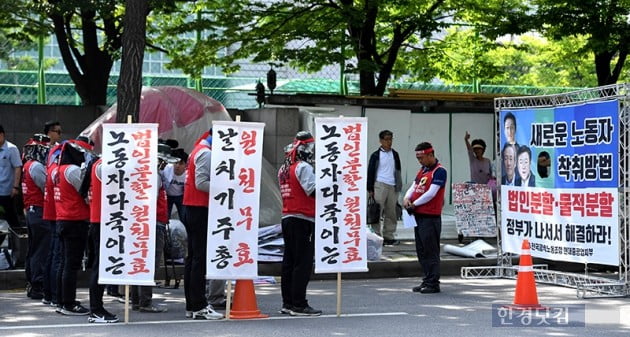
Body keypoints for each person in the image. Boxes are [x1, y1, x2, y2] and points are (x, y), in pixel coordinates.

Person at [277, 131, 322, 316]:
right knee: (302, 263)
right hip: (303, 218)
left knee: (289, 262)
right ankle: (299, 304)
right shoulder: (303, 167)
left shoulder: (284, 168)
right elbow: (312, 190)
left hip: (287, 217)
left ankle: (288, 303)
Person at [181, 129, 223, 320]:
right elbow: (201, 182)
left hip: (192, 207)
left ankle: (192, 304)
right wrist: (225, 187)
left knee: (193, 258)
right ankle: (198, 305)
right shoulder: (206, 153)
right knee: (199, 258)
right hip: (199, 208)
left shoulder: (197, 150)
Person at [130, 144, 177, 313]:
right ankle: (145, 301)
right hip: (153, 222)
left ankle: (137, 300)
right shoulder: (154, 176)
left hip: (147, 222)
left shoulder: (146, 174)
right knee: (150, 263)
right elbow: (150, 199)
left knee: (140, 261)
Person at [53, 138, 93, 315]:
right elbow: (85, 194)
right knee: (71, 264)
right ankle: (69, 303)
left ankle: (61, 300)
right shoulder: (73, 171)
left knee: (64, 263)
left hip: (62, 218)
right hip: (75, 219)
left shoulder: (58, 170)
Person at [403, 142, 447, 294]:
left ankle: (433, 283)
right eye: (417, 158)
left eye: (421, 157)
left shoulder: (439, 171)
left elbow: (431, 193)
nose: (419, 161)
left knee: (431, 250)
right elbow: (414, 186)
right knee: (421, 251)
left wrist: (414, 204)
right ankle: (426, 279)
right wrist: (406, 198)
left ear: (430, 155)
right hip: (418, 216)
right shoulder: (423, 170)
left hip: (430, 217)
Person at [85, 156, 119, 323]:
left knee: (101, 265)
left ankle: (97, 308)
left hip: (103, 219)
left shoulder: (99, 163)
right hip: (102, 221)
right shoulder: (104, 164)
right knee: (100, 266)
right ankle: (96, 309)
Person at [21, 134, 51, 300]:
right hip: (39, 211)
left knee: (33, 249)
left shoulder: (27, 165)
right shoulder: (37, 167)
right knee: (41, 249)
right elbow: (46, 187)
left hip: (31, 211)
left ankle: (32, 282)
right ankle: (37, 284)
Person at [367, 130, 402, 246]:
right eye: (386, 139)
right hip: (379, 184)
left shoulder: (395, 154)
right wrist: (370, 188)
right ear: (381, 141)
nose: (389, 142)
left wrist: (398, 185)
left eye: (390, 139)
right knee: (377, 211)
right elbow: (370, 171)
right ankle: (376, 236)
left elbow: (398, 170)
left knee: (391, 212)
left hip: (392, 185)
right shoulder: (376, 155)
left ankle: (389, 236)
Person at [0, 124, 23, 239]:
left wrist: (15, 187)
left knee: (12, 218)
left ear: (2, 135)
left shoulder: (11, 149)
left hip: (7, 191)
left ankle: (19, 243)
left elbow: (18, 167)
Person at [162, 148, 188, 220]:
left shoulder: (188, 174)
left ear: (185, 165)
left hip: (181, 196)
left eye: (181, 163)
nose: (177, 166)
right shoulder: (166, 169)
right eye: (176, 163)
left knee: (184, 217)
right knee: (166, 217)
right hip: (168, 196)